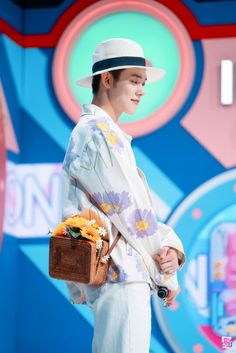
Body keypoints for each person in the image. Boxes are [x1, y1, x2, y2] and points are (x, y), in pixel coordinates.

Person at [62, 38, 186, 353]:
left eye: (143, 83)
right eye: (134, 80)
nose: (142, 90)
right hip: (122, 276)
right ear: (107, 79)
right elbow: (131, 214)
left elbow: (132, 212)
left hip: (119, 274)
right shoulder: (98, 135)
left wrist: (171, 249)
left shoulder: (100, 133)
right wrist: (167, 274)